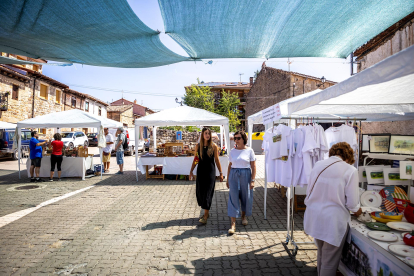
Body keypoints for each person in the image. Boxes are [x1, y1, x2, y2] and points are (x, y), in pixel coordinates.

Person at [304, 142, 362, 276]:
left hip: (315, 216)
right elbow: (353, 204)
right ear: (348, 156)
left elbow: (309, 190)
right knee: (329, 261)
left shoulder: (319, 165)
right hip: (333, 221)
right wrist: (360, 212)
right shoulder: (350, 170)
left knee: (322, 254)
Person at [190, 127, 224, 224]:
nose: (207, 135)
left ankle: (205, 215)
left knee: (208, 193)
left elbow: (217, 160)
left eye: (209, 133)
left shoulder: (214, 146)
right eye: (206, 133)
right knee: (200, 193)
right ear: (202, 135)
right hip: (200, 171)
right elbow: (196, 159)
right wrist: (191, 171)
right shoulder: (198, 146)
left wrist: (221, 173)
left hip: (210, 172)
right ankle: (206, 211)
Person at [226, 130, 256, 234]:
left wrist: (252, 180)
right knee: (233, 197)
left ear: (244, 139)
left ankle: (243, 216)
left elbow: (253, 166)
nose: (236, 140)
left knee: (246, 197)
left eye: (238, 138)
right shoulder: (232, 151)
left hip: (246, 174)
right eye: (235, 138)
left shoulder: (250, 151)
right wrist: (227, 179)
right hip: (234, 175)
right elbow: (230, 165)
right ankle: (233, 223)